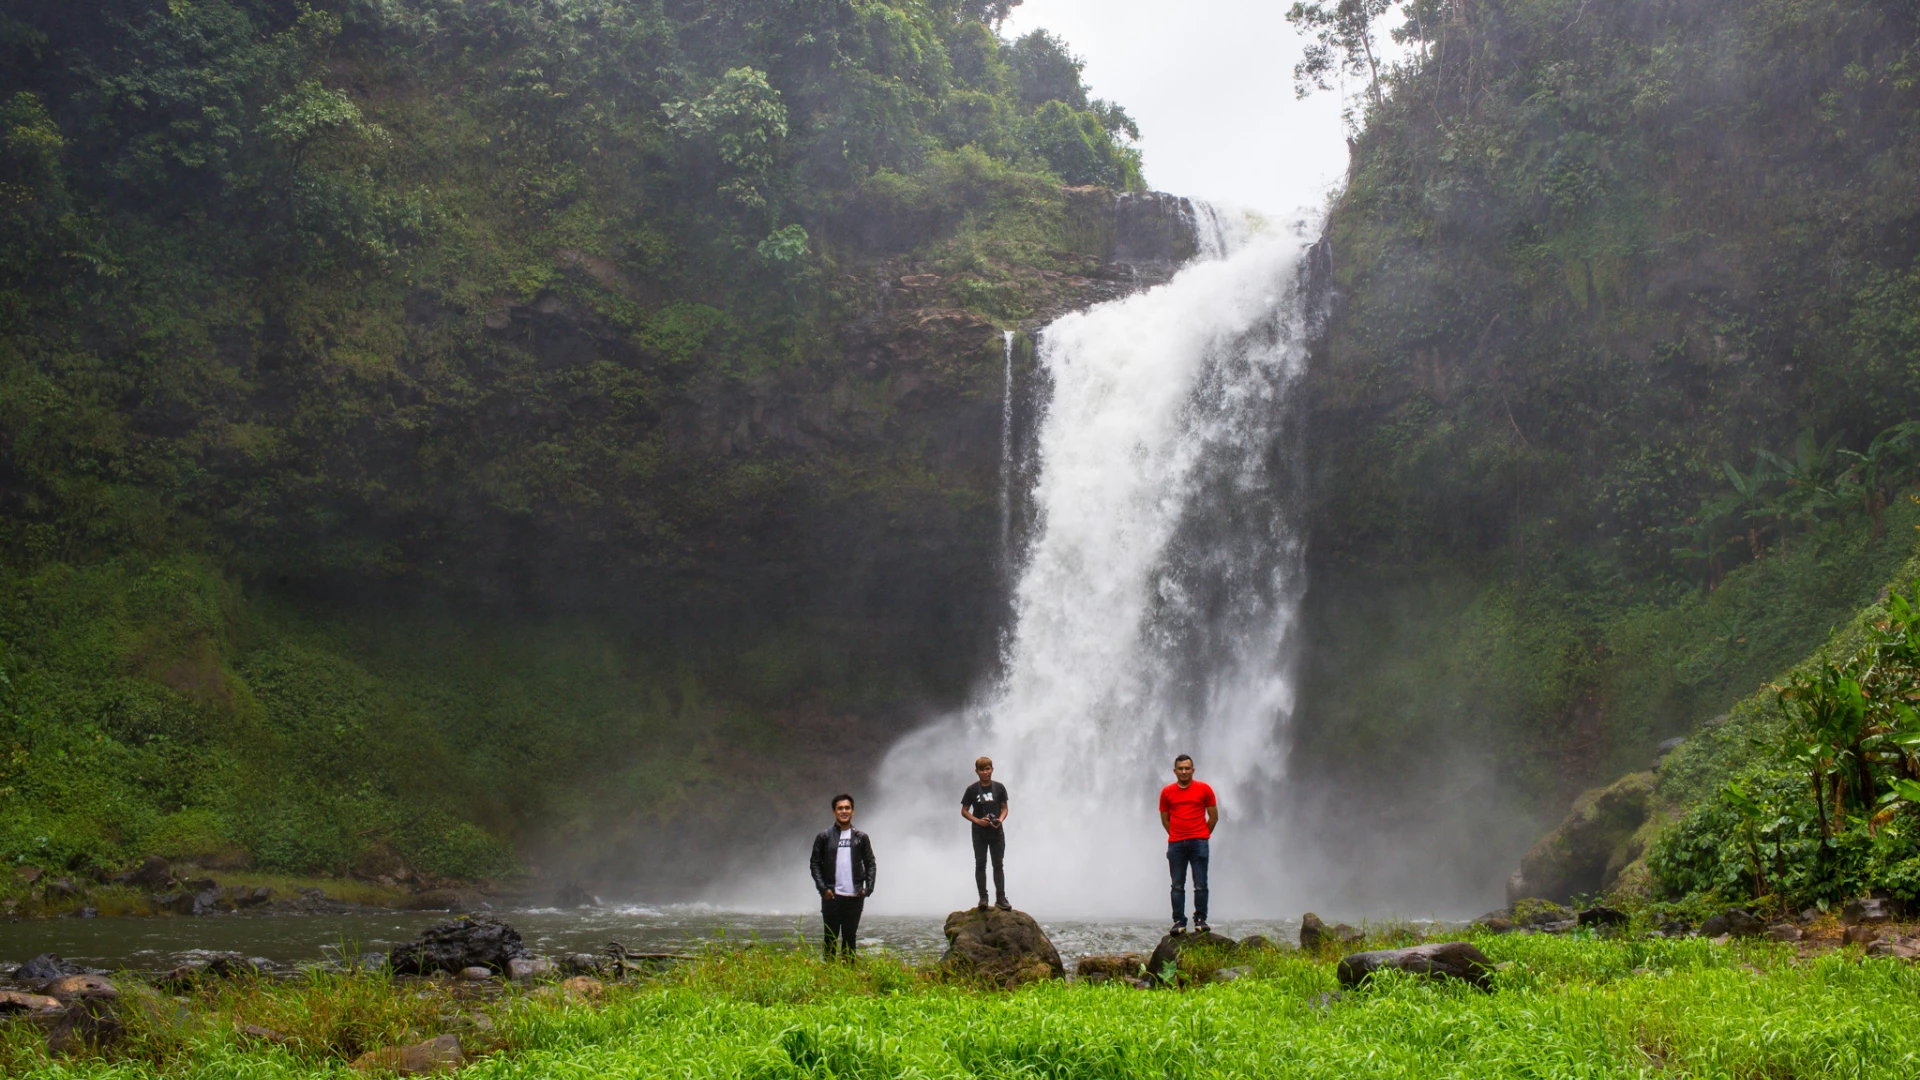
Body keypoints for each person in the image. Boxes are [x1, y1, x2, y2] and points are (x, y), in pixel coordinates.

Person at [808, 793, 875, 958]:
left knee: (850, 938)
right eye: (840, 808)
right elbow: (815, 863)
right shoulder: (824, 837)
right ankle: (829, 975)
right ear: (834, 812)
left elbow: (870, 863)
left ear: (852, 811)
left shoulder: (861, 838)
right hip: (832, 895)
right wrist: (823, 889)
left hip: (855, 896)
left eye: (847, 808)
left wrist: (868, 888)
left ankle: (849, 974)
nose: (843, 811)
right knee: (830, 938)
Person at [1158, 754, 1217, 935]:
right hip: (1176, 844)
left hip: (1199, 842)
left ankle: (1200, 919)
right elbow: (1165, 819)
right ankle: (1179, 922)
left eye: (1187, 768)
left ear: (1193, 770)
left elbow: (1214, 816)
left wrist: (1202, 835)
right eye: (1180, 768)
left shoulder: (1204, 789)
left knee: (1200, 884)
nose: (1184, 771)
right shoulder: (1167, 792)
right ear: (1175, 771)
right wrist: (1177, 834)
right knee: (1177, 885)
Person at [960, 756, 1012, 911]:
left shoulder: (1000, 788)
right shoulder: (971, 790)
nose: (985, 772)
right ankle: (983, 898)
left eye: (988, 769)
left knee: (998, 865)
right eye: (982, 770)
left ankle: (1001, 898)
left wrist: (1000, 820)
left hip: (996, 832)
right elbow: (964, 811)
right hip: (979, 832)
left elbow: (1005, 808)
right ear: (977, 772)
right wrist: (977, 821)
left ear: (992, 769)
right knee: (980, 864)